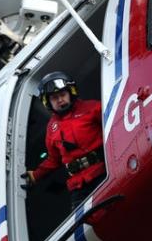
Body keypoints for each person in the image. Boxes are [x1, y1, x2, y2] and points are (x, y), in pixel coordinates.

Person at [22, 71, 105, 210]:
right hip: (78, 186)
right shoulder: (51, 129)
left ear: (70, 93)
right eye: (54, 97)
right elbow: (54, 160)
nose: (60, 99)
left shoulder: (93, 108)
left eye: (62, 94)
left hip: (103, 173)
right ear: (47, 102)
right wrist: (35, 175)